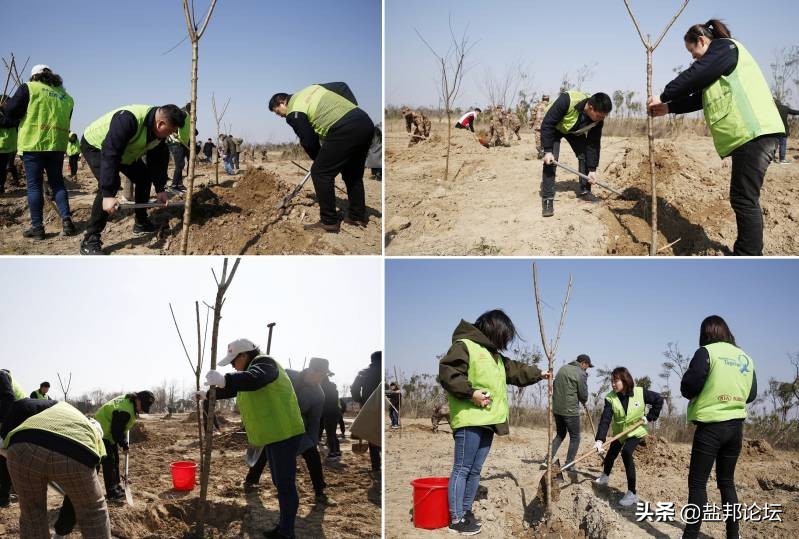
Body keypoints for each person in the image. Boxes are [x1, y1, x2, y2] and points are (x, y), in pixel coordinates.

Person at [647, 19, 784, 256]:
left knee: (743, 199)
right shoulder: (719, 65)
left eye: (693, 51)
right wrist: (668, 107)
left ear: (702, 41)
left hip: (754, 135)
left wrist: (663, 94)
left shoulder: (725, 48)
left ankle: (747, 255)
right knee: (744, 198)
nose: (694, 58)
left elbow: (696, 75)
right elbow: (700, 96)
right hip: (751, 137)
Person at [439, 310, 550, 535]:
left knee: (475, 470)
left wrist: (540, 373)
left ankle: (466, 511)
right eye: (504, 336)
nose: (505, 342)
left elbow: (517, 371)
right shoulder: (465, 346)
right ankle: (456, 519)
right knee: (462, 468)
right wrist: (472, 394)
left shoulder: (495, 356)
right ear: (494, 329)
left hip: (489, 421)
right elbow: (449, 373)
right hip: (469, 419)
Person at [204, 338, 305, 539]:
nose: (233, 366)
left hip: (284, 433)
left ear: (244, 355)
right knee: (281, 484)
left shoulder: (265, 363)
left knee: (285, 485)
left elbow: (255, 379)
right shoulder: (247, 375)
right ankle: (284, 527)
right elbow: (231, 388)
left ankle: (287, 532)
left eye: (234, 361)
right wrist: (207, 394)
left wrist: (226, 379)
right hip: (274, 435)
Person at [679, 315, 757, 539]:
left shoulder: (707, 352)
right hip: (735, 429)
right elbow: (751, 394)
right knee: (726, 482)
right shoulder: (745, 357)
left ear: (705, 333)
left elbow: (689, 386)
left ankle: (690, 535)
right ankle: (734, 535)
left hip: (710, 428)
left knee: (697, 484)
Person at [78, 104, 186, 255]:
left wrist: (160, 189)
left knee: (144, 178)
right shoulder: (128, 119)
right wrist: (108, 194)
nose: (169, 135)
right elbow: (111, 152)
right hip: (97, 146)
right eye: (169, 131)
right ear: (160, 123)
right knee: (111, 184)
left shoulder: (159, 135)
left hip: (126, 152)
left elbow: (158, 161)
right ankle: (90, 239)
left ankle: (141, 223)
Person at [269, 83, 374, 232]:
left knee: (320, 173)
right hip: (363, 121)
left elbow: (309, 141)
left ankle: (329, 221)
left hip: (345, 128)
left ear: (281, 103)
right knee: (353, 174)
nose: (280, 116)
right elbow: (342, 87)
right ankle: (357, 216)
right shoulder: (312, 88)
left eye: (278, 112)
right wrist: (352, 111)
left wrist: (319, 160)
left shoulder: (294, 111)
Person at [1, 398, 111, 538]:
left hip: (21, 446)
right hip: (75, 451)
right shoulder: (94, 439)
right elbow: (85, 491)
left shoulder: (58, 408)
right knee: (93, 511)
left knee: (32, 514)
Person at [243, 357, 337, 507]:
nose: (321, 380)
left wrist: (312, 442)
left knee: (312, 454)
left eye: (324, 376)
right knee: (266, 451)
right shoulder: (285, 375)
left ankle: (320, 492)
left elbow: (314, 421)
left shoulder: (318, 395)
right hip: (273, 422)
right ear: (312, 371)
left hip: (296, 428)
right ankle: (251, 481)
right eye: (320, 375)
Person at [0, 65, 76, 238]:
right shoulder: (67, 97)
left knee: (34, 186)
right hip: (57, 145)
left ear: (34, 76)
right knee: (57, 183)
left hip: (33, 144)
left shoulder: (29, 87)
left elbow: (12, 112)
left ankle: (38, 228)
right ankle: (67, 222)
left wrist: (4, 107)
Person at [593, 367, 663, 507]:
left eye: (616, 381)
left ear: (625, 380)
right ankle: (605, 476)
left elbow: (658, 400)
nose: (613, 384)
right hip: (620, 432)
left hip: (637, 431)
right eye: (612, 381)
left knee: (626, 453)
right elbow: (605, 419)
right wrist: (600, 439)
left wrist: (649, 417)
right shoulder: (610, 398)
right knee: (611, 453)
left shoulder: (640, 392)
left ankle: (632, 493)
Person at [540, 91, 612, 216]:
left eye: (604, 117)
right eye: (600, 116)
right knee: (551, 160)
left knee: (584, 154)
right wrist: (547, 151)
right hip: (555, 128)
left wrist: (592, 169)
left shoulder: (598, 120)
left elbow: (593, 144)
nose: (602, 119)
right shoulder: (567, 100)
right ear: (590, 108)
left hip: (573, 131)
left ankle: (585, 191)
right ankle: (547, 199)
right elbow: (547, 124)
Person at [94, 391, 155, 501]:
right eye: (143, 405)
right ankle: (112, 492)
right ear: (137, 399)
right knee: (109, 462)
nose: (142, 410)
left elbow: (121, 428)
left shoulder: (129, 402)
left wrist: (124, 442)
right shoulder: (125, 411)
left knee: (115, 460)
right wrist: (124, 444)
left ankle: (116, 486)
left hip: (107, 432)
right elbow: (116, 431)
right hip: (101, 432)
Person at [550, 354, 593, 470]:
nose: (586, 369)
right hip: (570, 411)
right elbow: (583, 394)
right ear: (583, 363)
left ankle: (547, 460)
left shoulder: (563, 368)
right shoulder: (581, 373)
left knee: (560, 434)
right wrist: (583, 400)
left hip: (557, 408)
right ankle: (569, 464)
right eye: (587, 366)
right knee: (575, 437)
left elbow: (555, 385)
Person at [351, 351, 382, 475]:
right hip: (382, 405)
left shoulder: (364, 372)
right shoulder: (382, 370)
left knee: (372, 434)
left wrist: (361, 400)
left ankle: (376, 466)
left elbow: (354, 389)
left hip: (368, 407)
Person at [0, 368, 26, 507]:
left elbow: (9, 399)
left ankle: (4, 497)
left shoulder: (1, 375)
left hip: (15, 418)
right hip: (16, 417)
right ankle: (11, 492)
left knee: (4, 455)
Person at [0, 95, 19, 195]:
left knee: (4, 169)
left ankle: (1, 187)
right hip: (3, 146)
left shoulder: (11, 114)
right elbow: (5, 122)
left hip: (8, 147)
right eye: (8, 103)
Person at [320, 372, 342, 460]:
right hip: (336, 412)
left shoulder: (322, 388)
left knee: (330, 433)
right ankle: (337, 451)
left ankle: (332, 453)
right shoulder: (334, 388)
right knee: (333, 433)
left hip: (328, 413)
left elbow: (322, 401)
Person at [774, 97, 799, 164]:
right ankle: (782, 159)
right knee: (783, 144)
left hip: (774, 129)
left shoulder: (773, 109)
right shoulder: (785, 108)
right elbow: (794, 112)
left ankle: (772, 157)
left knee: (773, 143)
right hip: (783, 129)